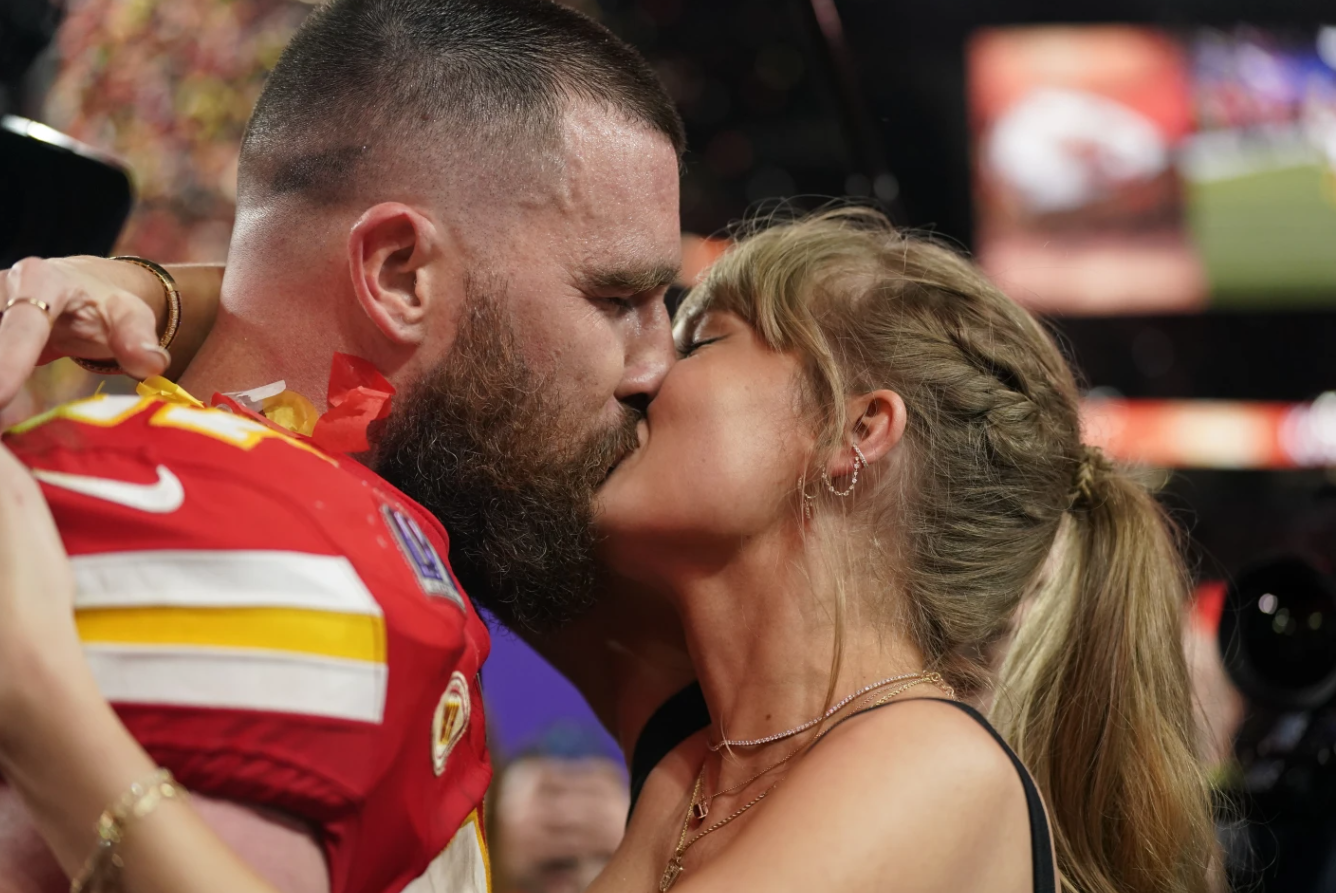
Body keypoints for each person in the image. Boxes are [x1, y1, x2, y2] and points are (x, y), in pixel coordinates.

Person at [0, 208, 1217, 892]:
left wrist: (47, 707)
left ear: (855, 431)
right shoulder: (697, 753)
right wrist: (144, 294)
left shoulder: (924, 762)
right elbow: (436, 365)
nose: (644, 372)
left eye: (708, 335)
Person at [0, 0, 691, 890]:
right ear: (398, 273)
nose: (657, 365)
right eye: (616, 299)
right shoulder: (252, 542)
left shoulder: (311, 515)